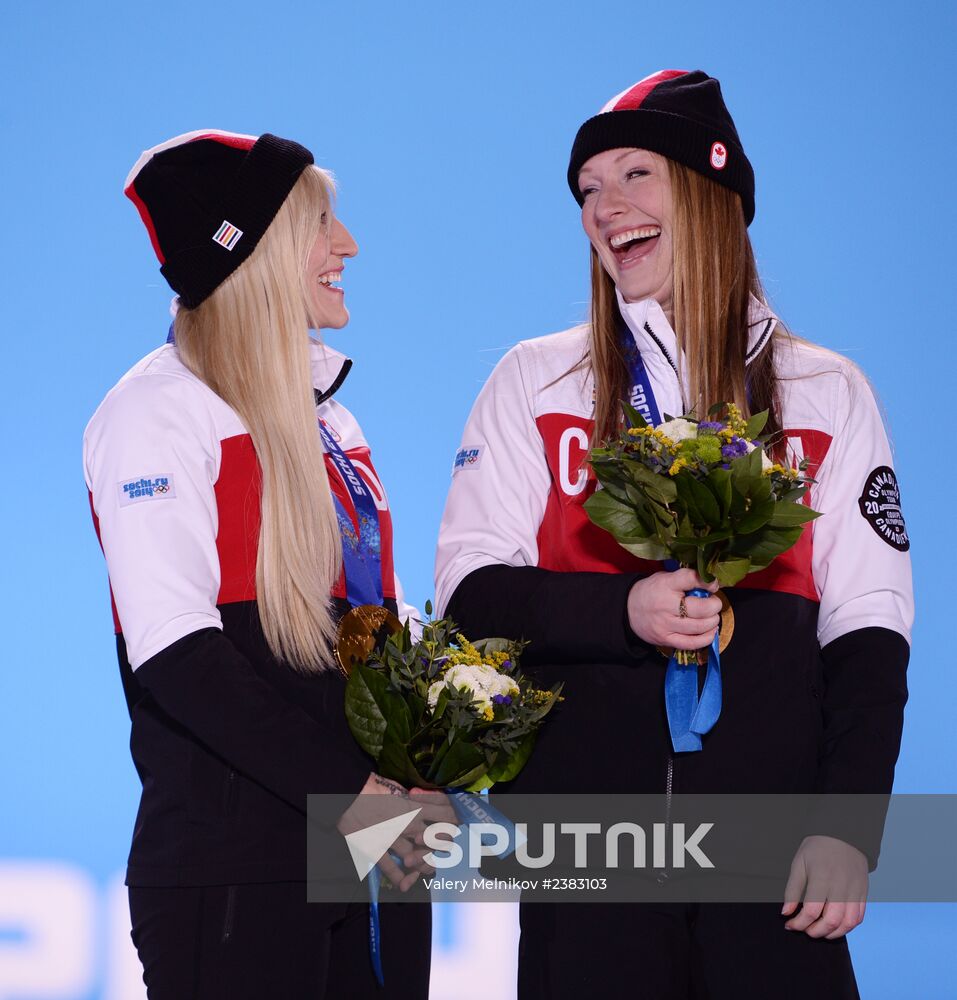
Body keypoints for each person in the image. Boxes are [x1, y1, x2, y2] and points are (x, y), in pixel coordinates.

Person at [435, 71, 913, 998]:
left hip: (769, 861)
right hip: (588, 858)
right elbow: (469, 591)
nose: (605, 208)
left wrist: (847, 824)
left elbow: (869, 625)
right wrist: (622, 609)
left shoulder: (824, 391)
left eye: (634, 175)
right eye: (587, 190)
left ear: (712, 191)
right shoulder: (534, 383)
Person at [84, 130, 451, 999]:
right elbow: (177, 656)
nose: (347, 245)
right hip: (238, 866)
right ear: (248, 250)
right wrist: (352, 794)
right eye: (321, 223)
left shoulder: (335, 424)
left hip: (375, 853)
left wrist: (422, 769)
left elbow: (368, 642)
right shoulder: (153, 416)